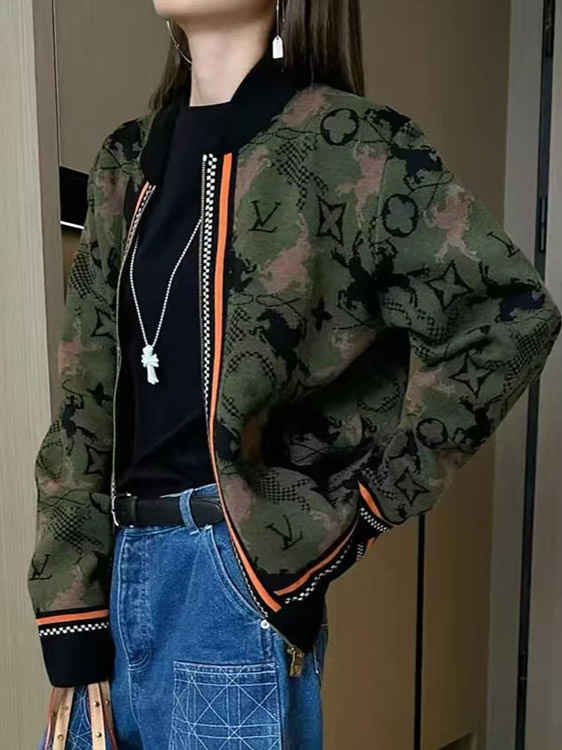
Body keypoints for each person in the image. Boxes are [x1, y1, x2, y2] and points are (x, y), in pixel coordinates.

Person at [30, 0, 561, 747]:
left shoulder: (349, 144)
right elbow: (82, 399)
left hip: (232, 582)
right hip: (116, 579)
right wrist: (70, 609)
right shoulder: (125, 162)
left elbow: (506, 313)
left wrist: (359, 505)